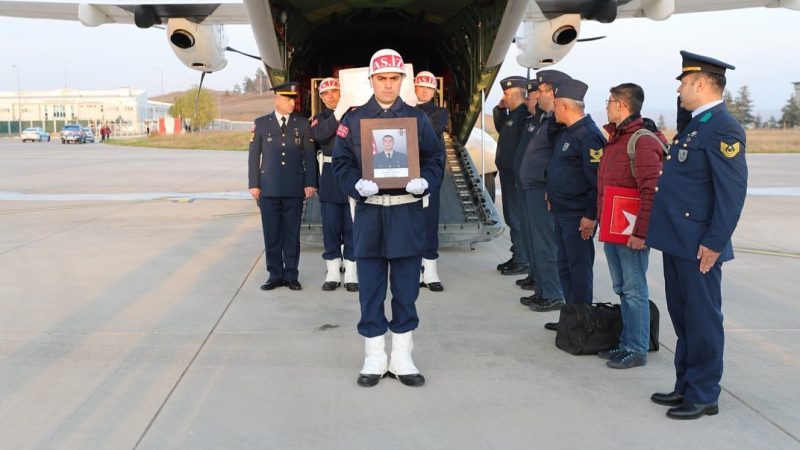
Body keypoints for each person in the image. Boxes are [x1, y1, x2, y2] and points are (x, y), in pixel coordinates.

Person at [332, 48, 444, 388]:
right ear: (371, 80)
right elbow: (341, 163)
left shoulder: (417, 120)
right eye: (381, 78)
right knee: (371, 289)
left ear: (401, 80)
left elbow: (434, 157)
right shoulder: (353, 120)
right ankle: (374, 356)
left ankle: (402, 356)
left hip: (407, 213)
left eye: (394, 78)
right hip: (369, 214)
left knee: (407, 289)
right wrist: (355, 185)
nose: (387, 85)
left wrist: (426, 180)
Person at [647, 51, 747, 420]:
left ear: (701, 84)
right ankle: (685, 385)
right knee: (683, 316)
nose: (679, 88)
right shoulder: (697, 123)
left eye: (684, 82)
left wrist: (715, 242)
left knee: (703, 319)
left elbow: (732, 191)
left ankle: (704, 393)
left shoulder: (722, 127)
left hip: (699, 243)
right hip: (678, 238)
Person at [596, 83, 665, 369]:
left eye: (610, 101)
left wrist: (641, 232)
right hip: (614, 227)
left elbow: (651, 190)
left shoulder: (641, 140)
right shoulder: (616, 139)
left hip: (630, 230)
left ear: (622, 105)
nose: (607, 106)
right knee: (622, 287)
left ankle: (636, 348)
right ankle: (627, 342)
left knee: (635, 289)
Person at [544, 78, 606, 330]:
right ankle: (569, 318)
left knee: (579, 270)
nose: (553, 110)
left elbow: (597, 181)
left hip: (578, 215)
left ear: (566, 107)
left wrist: (591, 215)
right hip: (562, 211)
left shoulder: (589, 136)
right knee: (565, 267)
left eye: (556, 105)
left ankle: (581, 322)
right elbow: (561, 171)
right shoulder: (568, 133)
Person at [248, 81, 318, 291]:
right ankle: (274, 274)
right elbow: (254, 156)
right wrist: (254, 184)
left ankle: (291, 275)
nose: (291, 103)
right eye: (287, 99)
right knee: (271, 233)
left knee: (291, 233)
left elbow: (309, 155)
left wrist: (310, 183)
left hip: (294, 188)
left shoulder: (302, 124)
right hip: (268, 188)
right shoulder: (261, 123)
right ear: (276, 99)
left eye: (293, 99)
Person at [518, 70, 571, 313]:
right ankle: (542, 289)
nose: (537, 95)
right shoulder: (545, 120)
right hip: (532, 188)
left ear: (553, 92)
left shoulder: (558, 124)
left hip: (542, 189)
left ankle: (552, 293)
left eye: (541, 91)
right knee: (536, 242)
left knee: (545, 243)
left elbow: (559, 160)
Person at [310, 77, 358, 292]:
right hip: (329, 175)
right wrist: (338, 114)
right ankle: (332, 271)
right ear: (321, 97)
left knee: (351, 227)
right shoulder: (319, 119)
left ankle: (351, 271)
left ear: (342, 93)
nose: (330, 96)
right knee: (330, 227)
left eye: (334, 91)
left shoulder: (354, 115)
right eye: (326, 93)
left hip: (351, 173)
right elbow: (320, 136)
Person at [414, 70, 448, 292]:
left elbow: (433, 131)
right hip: (407, 172)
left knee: (429, 221)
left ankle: (431, 271)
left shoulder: (440, 112)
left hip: (429, 173)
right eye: (421, 87)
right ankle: (415, 268)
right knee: (410, 223)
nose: (425, 91)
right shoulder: (403, 108)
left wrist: (410, 111)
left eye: (429, 88)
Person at [493, 76, 530, 276]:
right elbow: (502, 128)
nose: (504, 97)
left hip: (516, 177)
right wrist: (500, 109)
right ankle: (518, 254)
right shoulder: (512, 114)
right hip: (508, 175)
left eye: (507, 94)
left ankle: (522, 259)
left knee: (516, 218)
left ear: (518, 95)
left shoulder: (524, 116)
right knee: (511, 217)